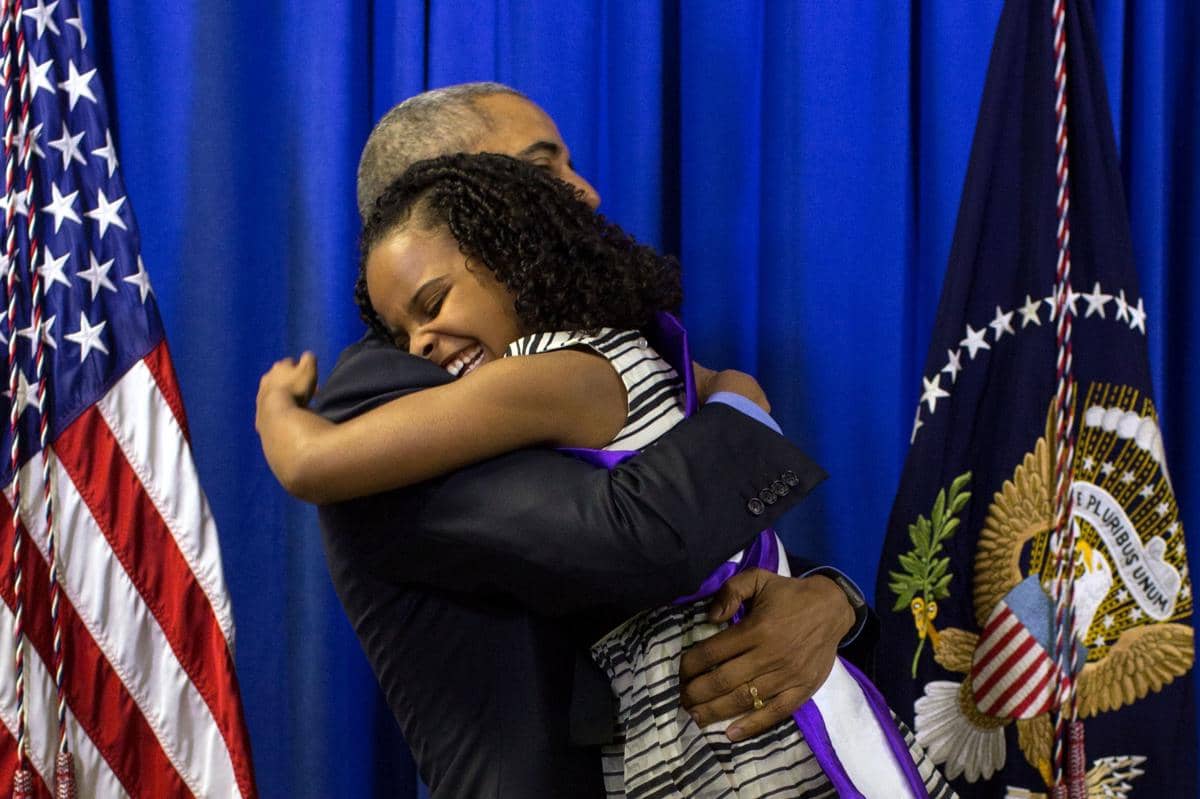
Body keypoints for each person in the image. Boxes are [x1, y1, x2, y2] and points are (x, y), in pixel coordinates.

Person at [258, 152, 953, 798]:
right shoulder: (617, 356)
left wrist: (276, 407)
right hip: (695, 715)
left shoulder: (564, 373)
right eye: (403, 330)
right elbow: (715, 429)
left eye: (433, 304)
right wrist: (744, 398)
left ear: (510, 243)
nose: (419, 345)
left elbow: (311, 462)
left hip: (730, 733)